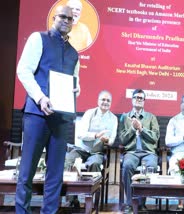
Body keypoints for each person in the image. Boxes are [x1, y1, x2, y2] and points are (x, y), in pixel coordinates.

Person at [15, 5, 80, 213]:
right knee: (27, 173)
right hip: (37, 115)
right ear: (54, 17)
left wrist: (76, 88)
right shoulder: (38, 38)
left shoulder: (74, 53)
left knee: (55, 175)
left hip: (61, 119)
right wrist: (41, 97)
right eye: (63, 16)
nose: (67, 21)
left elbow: (74, 83)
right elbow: (23, 71)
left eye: (70, 19)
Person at [118, 89, 160, 214]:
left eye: (141, 98)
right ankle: (130, 203)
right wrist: (132, 128)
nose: (138, 99)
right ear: (132, 100)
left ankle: (141, 203)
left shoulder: (151, 117)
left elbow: (155, 138)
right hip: (131, 152)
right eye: (136, 97)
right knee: (127, 166)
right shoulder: (124, 118)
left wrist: (141, 128)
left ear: (144, 101)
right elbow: (122, 139)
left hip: (148, 152)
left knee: (151, 166)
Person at [65, 90, 118, 171]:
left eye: (108, 100)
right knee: (68, 159)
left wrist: (107, 141)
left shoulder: (114, 119)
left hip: (97, 153)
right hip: (81, 150)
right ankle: (66, 183)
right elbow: (80, 134)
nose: (105, 102)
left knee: (95, 163)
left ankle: (92, 184)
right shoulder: (89, 113)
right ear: (98, 101)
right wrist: (95, 135)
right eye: (103, 99)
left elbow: (112, 139)